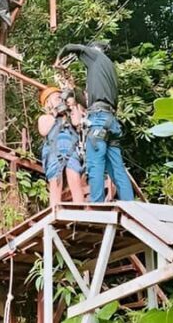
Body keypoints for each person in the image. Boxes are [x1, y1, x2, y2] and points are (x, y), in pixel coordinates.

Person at [56, 41, 134, 202]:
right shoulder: (109, 69)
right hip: (110, 120)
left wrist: (58, 60)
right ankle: (130, 206)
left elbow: (71, 47)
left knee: (95, 164)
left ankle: (96, 207)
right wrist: (73, 89)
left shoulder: (96, 56)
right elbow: (91, 102)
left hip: (98, 120)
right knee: (116, 168)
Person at [38, 86, 86, 207]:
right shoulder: (45, 118)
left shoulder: (69, 118)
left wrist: (72, 106)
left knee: (74, 179)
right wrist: (55, 112)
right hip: (54, 152)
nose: (60, 100)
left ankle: (80, 211)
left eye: (61, 97)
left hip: (71, 151)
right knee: (55, 182)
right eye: (56, 98)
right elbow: (44, 130)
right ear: (47, 103)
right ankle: (54, 211)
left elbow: (78, 122)